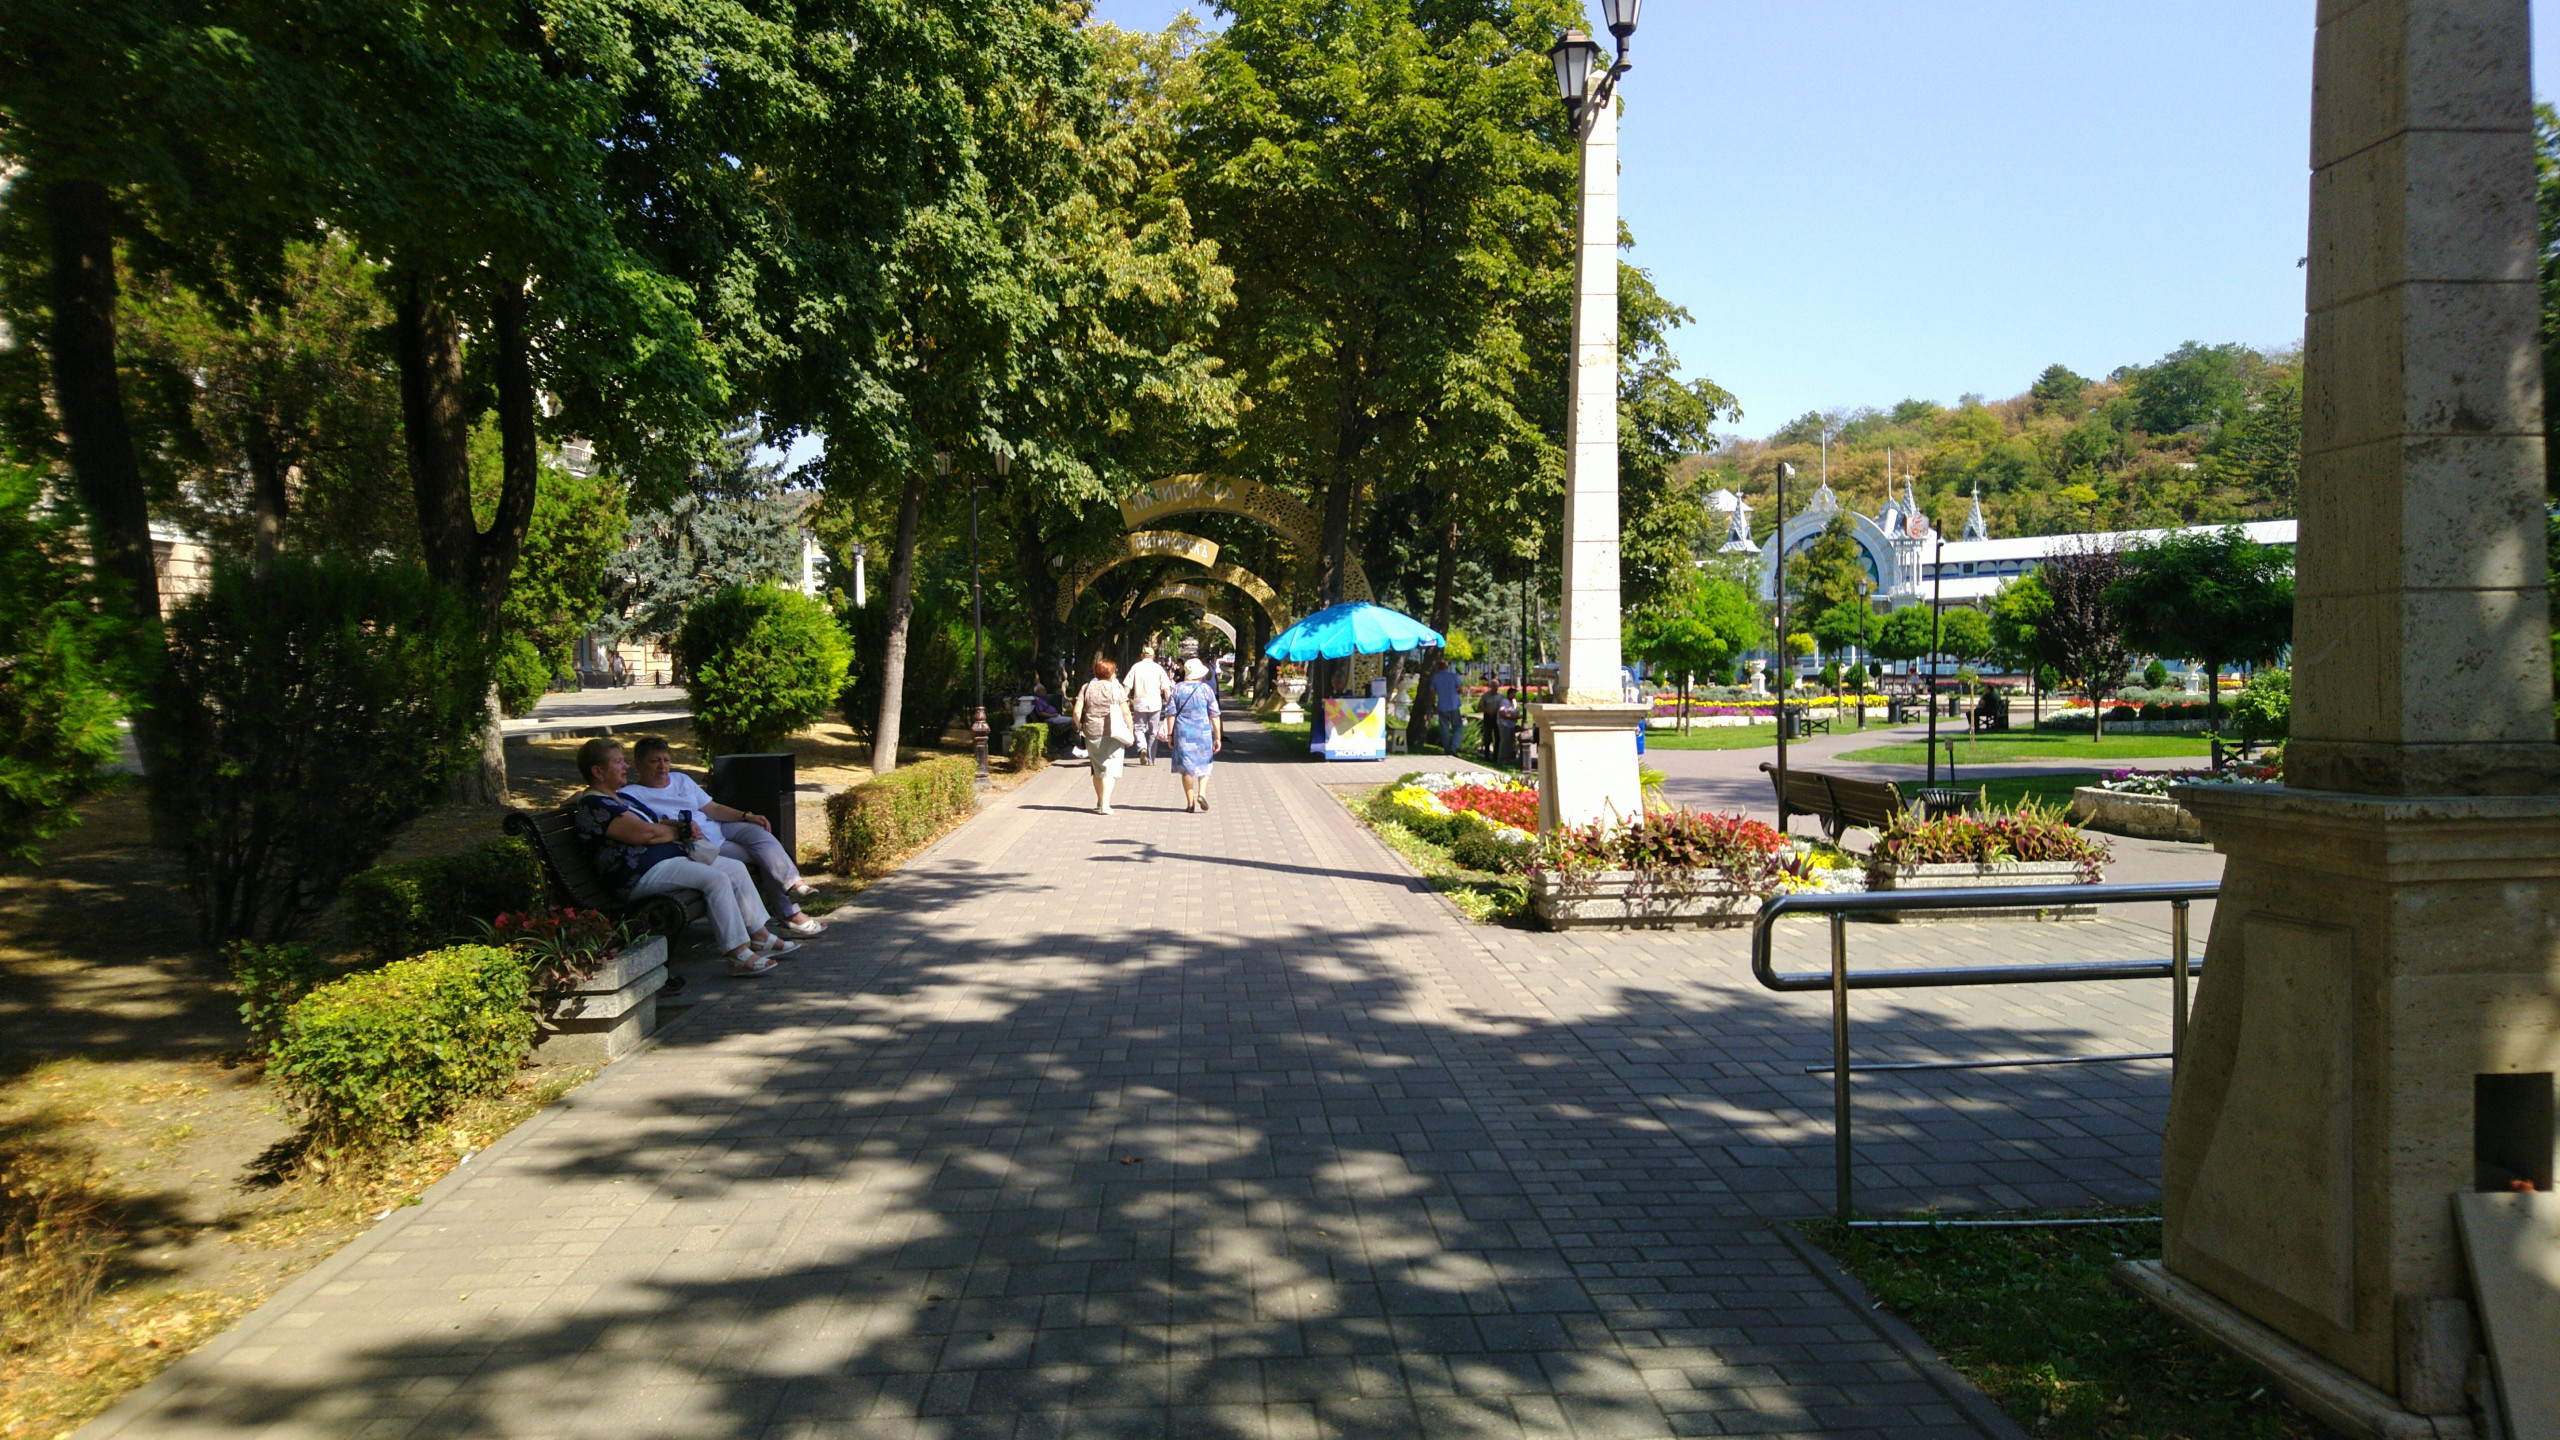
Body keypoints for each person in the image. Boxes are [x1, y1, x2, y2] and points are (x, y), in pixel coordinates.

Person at [570, 738, 797, 977]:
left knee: (734, 868)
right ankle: (738, 952)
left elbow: (654, 823)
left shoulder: (616, 798)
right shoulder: (596, 805)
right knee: (716, 879)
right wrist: (680, 833)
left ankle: (760, 936)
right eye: (618, 762)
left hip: (664, 861)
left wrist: (678, 826)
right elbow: (644, 834)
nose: (625, 766)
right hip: (637, 875)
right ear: (598, 771)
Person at [621, 737, 824, 937]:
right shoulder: (632, 794)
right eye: (654, 761)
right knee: (763, 857)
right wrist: (679, 827)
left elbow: (713, 809)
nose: (662, 766)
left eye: (666, 760)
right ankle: (791, 914)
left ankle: (796, 885)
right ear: (638, 765)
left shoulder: (681, 780)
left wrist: (746, 816)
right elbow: (647, 826)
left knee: (759, 832)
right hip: (702, 844)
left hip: (718, 826)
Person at [1074, 657, 1134, 814]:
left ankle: (1100, 801)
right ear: (1112, 673)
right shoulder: (1116, 688)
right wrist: (1130, 731)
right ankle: (1105, 805)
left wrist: (1080, 726)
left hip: (1091, 732)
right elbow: (1126, 712)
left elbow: (1076, 711)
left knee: (1097, 769)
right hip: (1112, 732)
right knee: (1110, 770)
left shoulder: (1086, 687)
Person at [1166, 658, 1224, 812]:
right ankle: (1202, 794)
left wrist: (1170, 735)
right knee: (1205, 764)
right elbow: (1215, 715)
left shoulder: (1177, 689)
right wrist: (1217, 737)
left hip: (1183, 734)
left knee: (1187, 768)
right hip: (1203, 733)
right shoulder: (1206, 689)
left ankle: (1190, 803)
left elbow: (1171, 714)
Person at [1124, 646, 1173, 766]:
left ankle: (1142, 748)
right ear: (1153, 656)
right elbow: (1166, 688)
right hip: (1155, 703)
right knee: (1153, 731)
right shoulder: (1158, 668)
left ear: (1142, 656)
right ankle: (1151, 759)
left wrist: (1123, 700)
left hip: (1139, 703)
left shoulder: (1136, 667)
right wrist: (1170, 703)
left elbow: (1127, 686)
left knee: (1139, 728)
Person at [1427, 657, 1464, 755]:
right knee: (1458, 727)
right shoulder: (1453, 676)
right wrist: (1457, 692)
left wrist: (1433, 704)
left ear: (1438, 667)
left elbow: (1432, 693)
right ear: (1447, 667)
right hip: (1454, 704)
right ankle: (1454, 747)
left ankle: (1447, 750)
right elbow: (1460, 689)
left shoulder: (1435, 678)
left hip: (1442, 706)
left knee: (1444, 729)